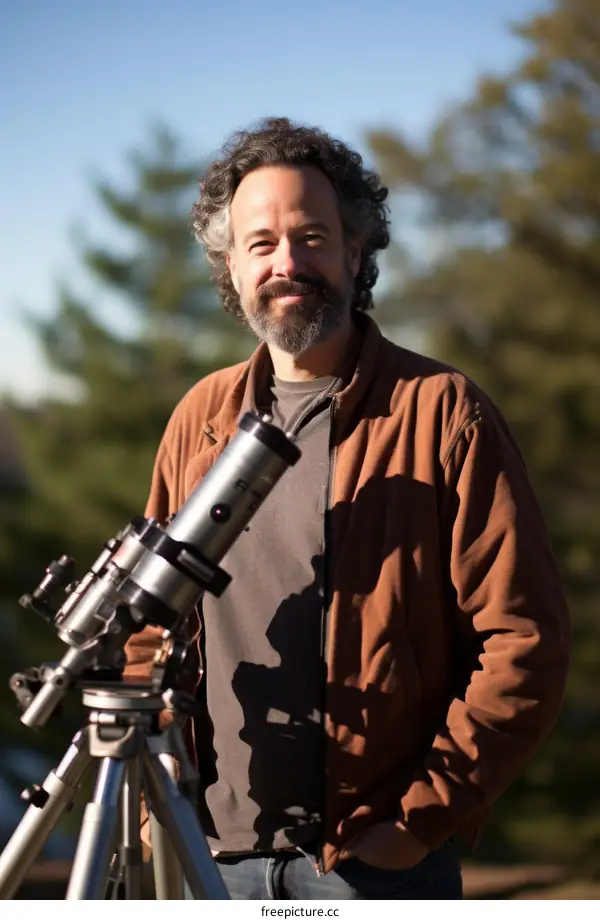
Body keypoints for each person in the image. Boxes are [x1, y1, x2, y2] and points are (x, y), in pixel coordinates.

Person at [124, 117, 571, 900]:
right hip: (209, 860)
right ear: (232, 265)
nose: (287, 263)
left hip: (369, 870)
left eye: (312, 237)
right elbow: (149, 622)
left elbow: (524, 641)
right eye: (260, 243)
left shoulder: (442, 412)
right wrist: (157, 767)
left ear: (355, 250)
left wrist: (415, 823)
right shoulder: (200, 418)